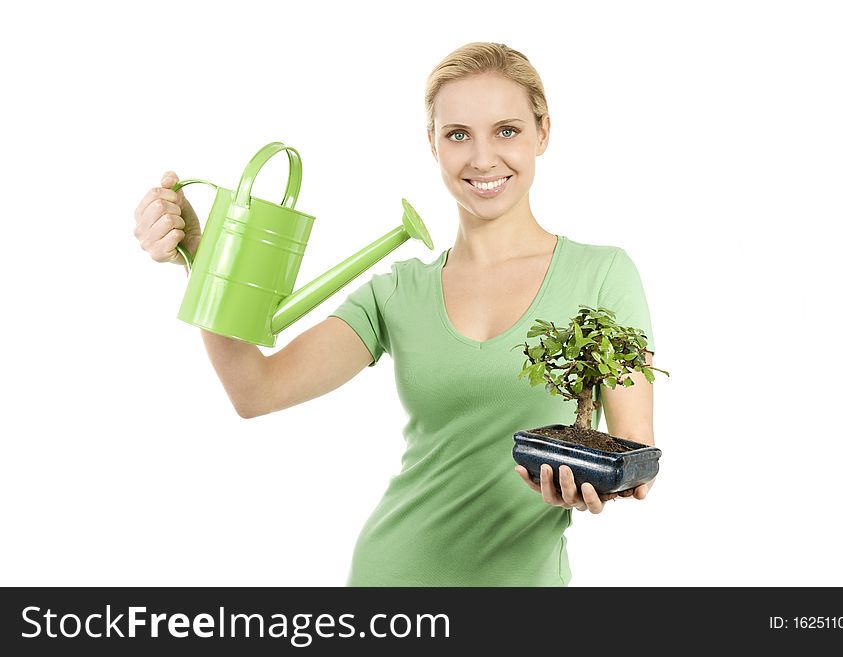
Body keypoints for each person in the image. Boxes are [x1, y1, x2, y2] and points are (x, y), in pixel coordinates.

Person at [133, 42, 657, 586]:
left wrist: (601, 486)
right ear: (432, 143)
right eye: (457, 134)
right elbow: (255, 390)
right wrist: (201, 261)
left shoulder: (603, 275)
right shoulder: (398, 291)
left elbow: (634, 451)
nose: (482, 157)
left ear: (542, 132)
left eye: (507, 130)